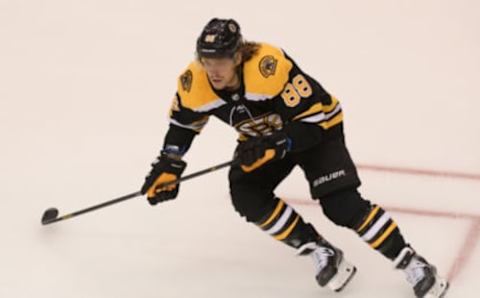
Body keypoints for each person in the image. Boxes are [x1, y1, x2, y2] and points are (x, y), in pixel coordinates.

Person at [141, 18, 449, 298]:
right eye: (206, 60)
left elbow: (312, 122)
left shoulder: (268, 67)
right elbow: (183, 124)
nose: (213, 69)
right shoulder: (194, 82)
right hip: (264, 139)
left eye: (220, 60)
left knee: (341, 205)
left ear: (237, 56)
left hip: (316, 129)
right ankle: (320, 248)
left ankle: (414, 263)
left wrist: (277, 143)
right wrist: (170, 163)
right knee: (245, 193)